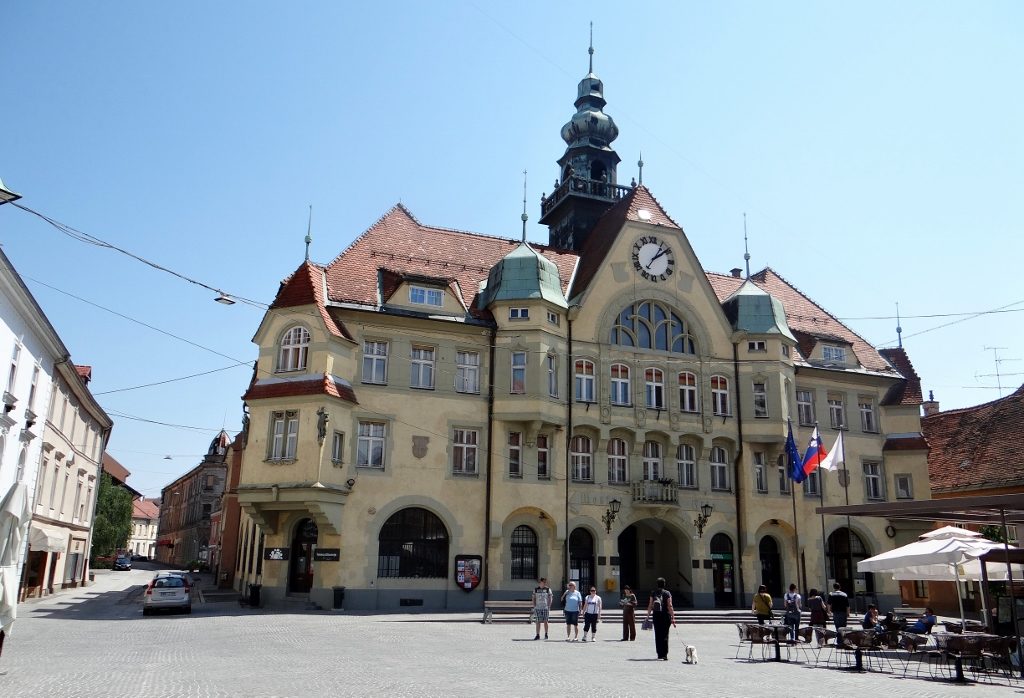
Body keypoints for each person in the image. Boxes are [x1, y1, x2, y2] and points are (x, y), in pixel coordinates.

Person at [644, 577, 676, 660]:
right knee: (665, 635)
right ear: (664, 584)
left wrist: (647, 616)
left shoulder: (653, 593)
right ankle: (664, 655)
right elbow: (670, 606)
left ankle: (659, 654)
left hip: (656, 616)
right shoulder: (667, 593)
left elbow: (650, 605)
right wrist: (673, 617)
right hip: (665, 616)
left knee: (657, 634)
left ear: (657, 584)